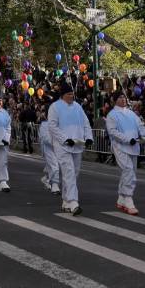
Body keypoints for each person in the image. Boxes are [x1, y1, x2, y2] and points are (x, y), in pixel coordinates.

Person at [47, 83, 92, 215]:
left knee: (74, 173)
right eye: (68, 94)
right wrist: (65, 139)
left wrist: (89, 137)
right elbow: (52, 126)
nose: (71, 96)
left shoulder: (77, 107)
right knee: (69, 172)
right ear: (63, 95)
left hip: (77, 144)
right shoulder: (55, 107)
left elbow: (86, 123)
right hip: (63, 146)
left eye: (72, 94)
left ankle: (66, 201)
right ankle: (73, 202)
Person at [105, 91, 144, 215]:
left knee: (131, 172)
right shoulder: (112, 115)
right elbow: (112, 132)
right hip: (120, 146)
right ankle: (128, 198)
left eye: (124, 97)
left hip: (133, 147)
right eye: (120, 97)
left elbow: (140, 126)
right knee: (128, 170)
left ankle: (121, 198)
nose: (123, 99)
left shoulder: (131, 114)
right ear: (115, 100)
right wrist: (127, 139)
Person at [39, 97, 60, 194]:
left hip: (58, 149)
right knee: (54, 166)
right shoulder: (44, 125)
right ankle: (55, 185)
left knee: (52, 166)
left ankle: (46, 178)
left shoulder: (59, 124)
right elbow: (46, 138)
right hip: (48, 149)